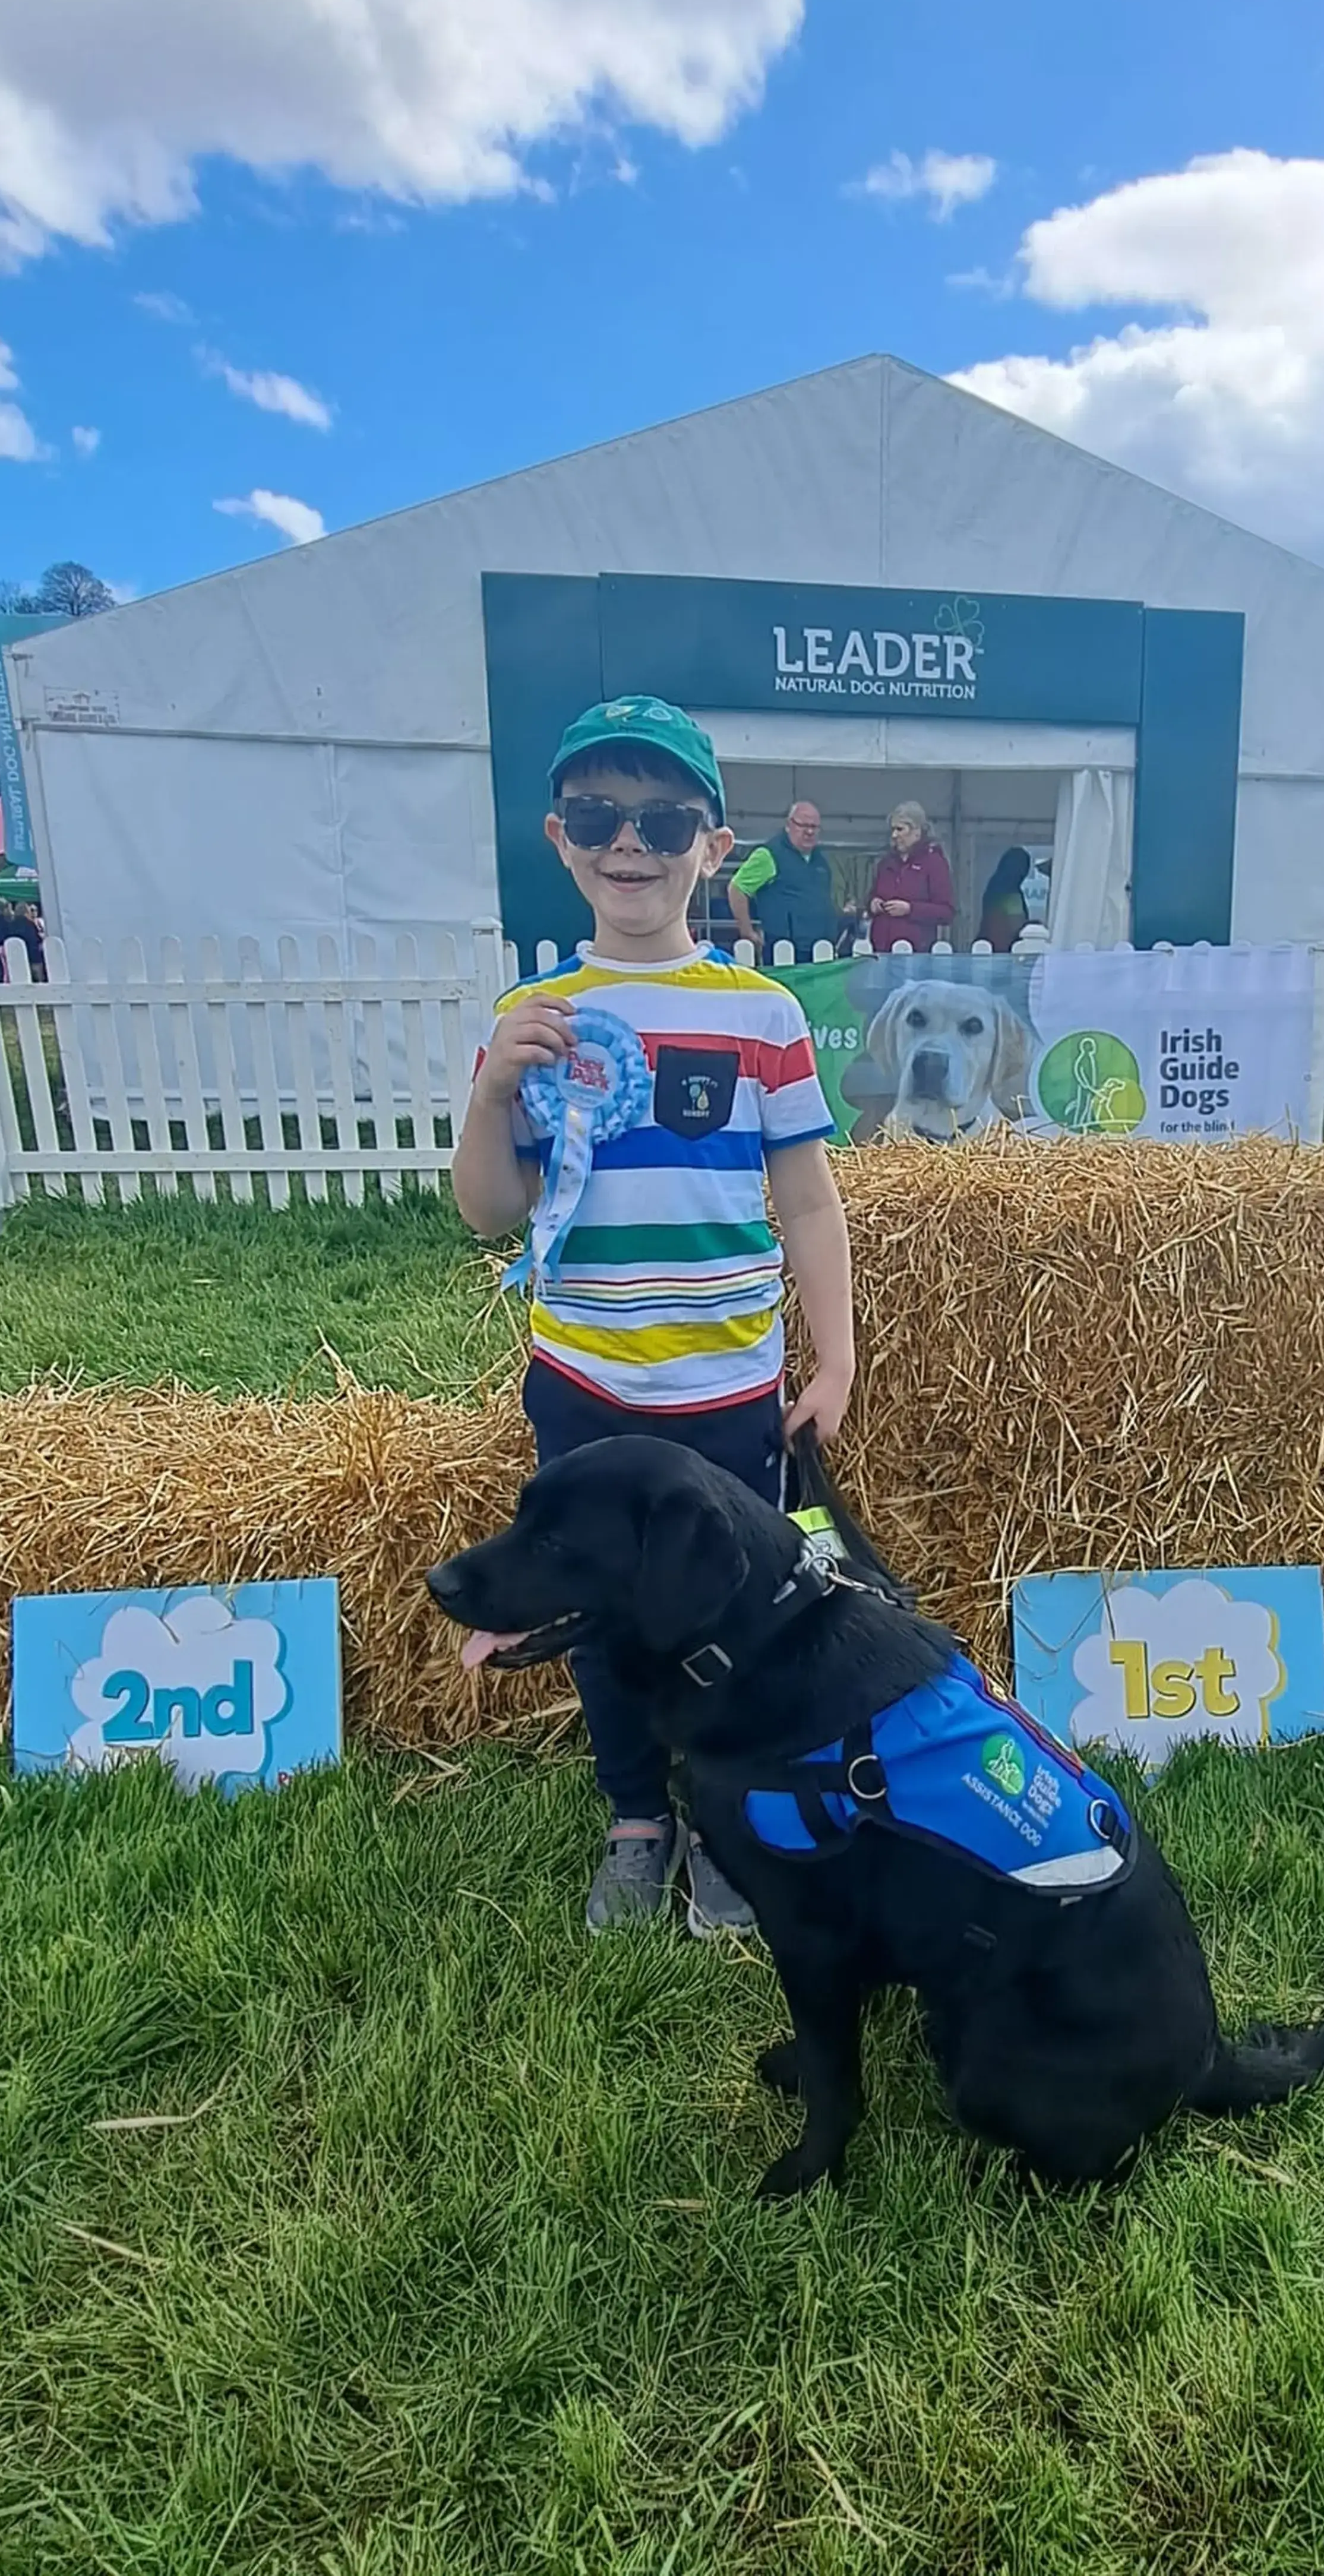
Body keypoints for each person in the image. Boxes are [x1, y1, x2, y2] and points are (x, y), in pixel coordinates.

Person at [450, 696, 855, 1939]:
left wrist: (833, 1352)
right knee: (600, 1619)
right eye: (598, 817)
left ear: (713, 845)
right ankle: (638, 1816)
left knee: (737, 1612)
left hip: (730, 1385)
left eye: (663, 817)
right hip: (586, 1382)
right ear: (560, 839)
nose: (631, 842)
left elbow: (806, 1196)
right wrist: (493, 1088)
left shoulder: (764, 1015)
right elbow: (486, 1210)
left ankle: (726, 1815)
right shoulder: (534, 1015)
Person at [728, 798, 841, 958]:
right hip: (784, 953)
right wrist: (747, 932)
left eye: (814, 827)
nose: (809, 832)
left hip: (821, 952)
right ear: (789, 825)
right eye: (804, 825)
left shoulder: (820, 860)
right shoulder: (768, 855)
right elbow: (737, 888)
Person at [867, 801, 954, 953]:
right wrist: (873, 903)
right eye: (893, 830)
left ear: (917, 831)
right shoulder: (886, 863)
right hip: (882, 951)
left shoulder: (934, 863)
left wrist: (910, 909)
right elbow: (872, 895)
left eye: (900, 829)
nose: (894, 835)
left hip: (917, 954)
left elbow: (946, 912)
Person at [977, 846, 1034, 954]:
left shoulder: (993, 887)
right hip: (1007, 950)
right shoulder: (1011, 893)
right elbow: (1017, 925)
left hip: (989, 947)